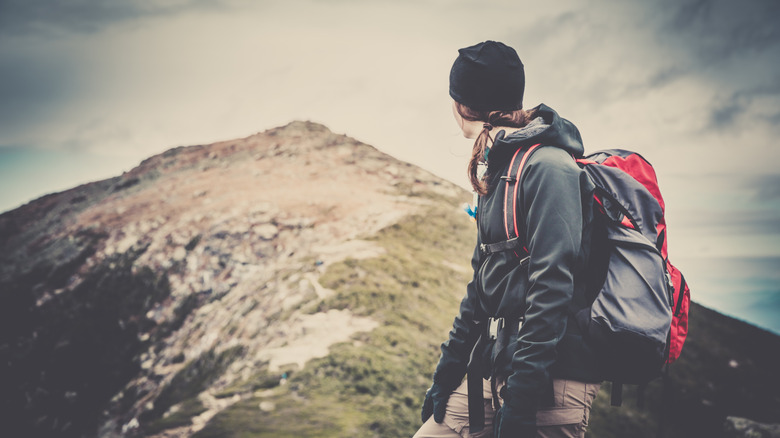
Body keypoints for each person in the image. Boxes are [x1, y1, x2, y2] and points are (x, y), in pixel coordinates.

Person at [414, 41, 603, 438]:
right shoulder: (498, 170)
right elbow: (481, 285)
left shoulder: (549, 168)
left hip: (551, 381)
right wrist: (447, 372)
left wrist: (520, 404)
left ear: (461, 105)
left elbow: (552, 288)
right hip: (497, 366)